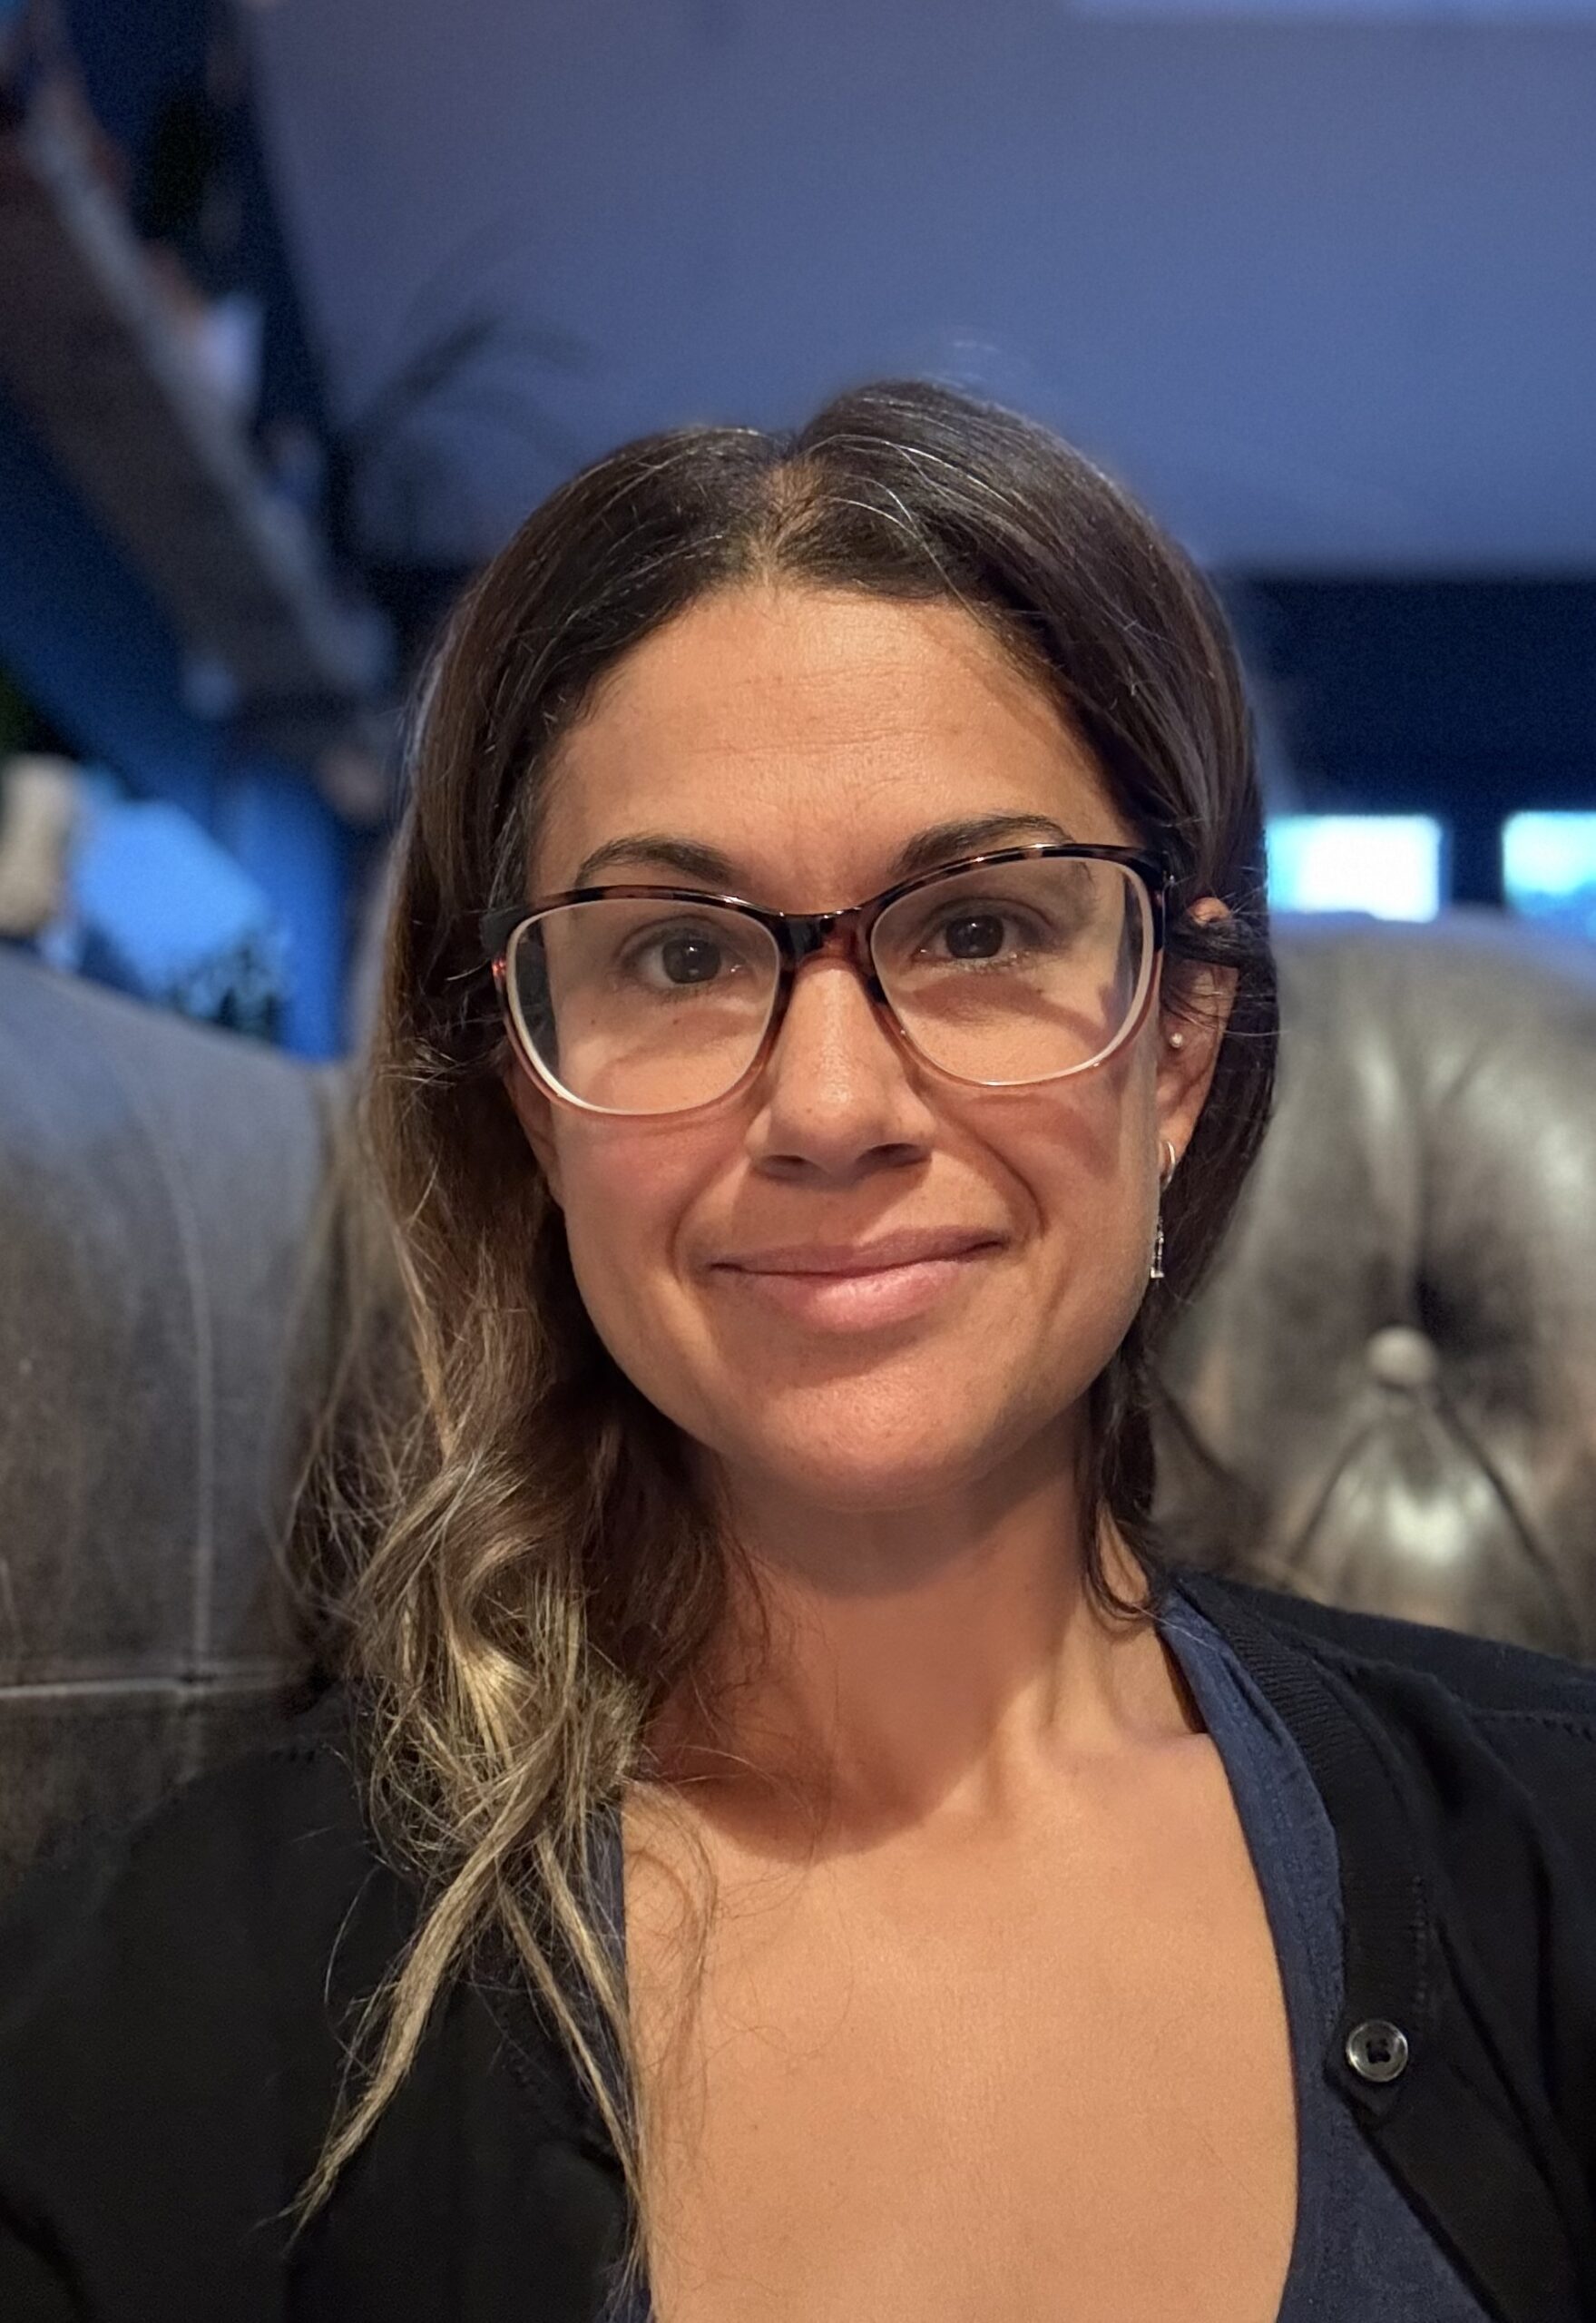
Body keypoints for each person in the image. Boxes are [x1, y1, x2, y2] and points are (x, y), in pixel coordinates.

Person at [2, 381, 1594, 2323]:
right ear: (529, 1086)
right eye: (675, 952)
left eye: (982, 922)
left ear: (1174, 1047)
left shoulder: (1558, 1855)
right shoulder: (172, 2008)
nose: (831, 1103)